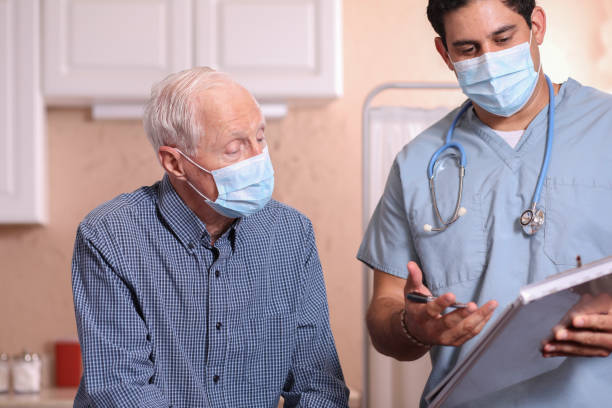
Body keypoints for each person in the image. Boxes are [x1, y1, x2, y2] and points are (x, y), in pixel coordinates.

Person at [358, 0, 612, 406]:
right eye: (469, 49)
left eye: (503, 38)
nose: (490, 61)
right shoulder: (416, 163)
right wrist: (413, 326)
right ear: (445, 53)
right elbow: (383, 316)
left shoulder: (605, 126)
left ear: (537, 25)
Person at [71, 67, 349, 407]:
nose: (257, 158)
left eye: (260, 139)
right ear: (175, 162)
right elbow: (121, 390)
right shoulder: (110, 235)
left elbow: (318, 385)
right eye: (234, 148)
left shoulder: (291, 234)